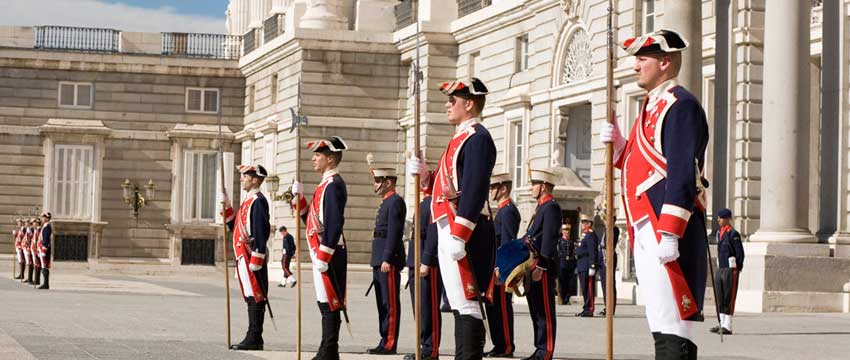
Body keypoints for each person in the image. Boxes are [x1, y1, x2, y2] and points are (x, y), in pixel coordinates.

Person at [601, 29, 710, 358]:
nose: (635, 66)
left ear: (665, 62)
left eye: (642, 58)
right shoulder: (652, 106)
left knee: (674, 321)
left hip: (664, 224)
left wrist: (670, 233)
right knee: (660, 319)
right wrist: (620, 144)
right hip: (646, 223)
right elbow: (641, 165)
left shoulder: (681, 105)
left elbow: (681, 173)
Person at [408, 77, 497, 359]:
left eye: (453, 100)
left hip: (463, 231)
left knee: (469, 302)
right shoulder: (458, 139)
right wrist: (424, 176)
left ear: (469, 104)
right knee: (458, 303)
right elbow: (445, 186)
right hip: (448, 227)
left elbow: (473, 187)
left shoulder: (477, 138)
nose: (448, 105)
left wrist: (460, 232)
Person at [291, 136, 349, 360]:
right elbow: (313, 222)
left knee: (331, 301)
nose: (314, 159)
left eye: (318, 155)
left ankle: (329, 350)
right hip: (321, 251)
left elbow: (334, 223)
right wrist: (299, 200)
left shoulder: (334, 185)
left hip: (329, 252)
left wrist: (325, 253)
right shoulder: (324, 185)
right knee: (324, 301)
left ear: (331, 159)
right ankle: (328, 349)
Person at [223, 164, 271, 351]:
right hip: (243, 254)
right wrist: (226, 205)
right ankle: (253, 335)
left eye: (245, 176)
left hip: (251, 255)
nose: (241, 179)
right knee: (250, 296)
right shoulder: (248, 200)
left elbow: (261, 230)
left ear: (256, 179)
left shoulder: (258, 201)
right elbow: (234, 226)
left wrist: (257, 258)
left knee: (256, 296)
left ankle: (255, 337)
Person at [521, 168, 562, 360]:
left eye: (534, 184)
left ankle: (546, 350)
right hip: (532, 265)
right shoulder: (541, 207)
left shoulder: (551, 207)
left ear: (543, 186)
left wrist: (542, 266)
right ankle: (539, 348)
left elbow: (550, 238)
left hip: (541, 267)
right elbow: (531, 236)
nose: (531, 188)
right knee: (535, 309)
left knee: (544, 310)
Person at [367, 167, 406, 355]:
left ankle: (390, 342)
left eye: (378, 181)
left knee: (389, 302)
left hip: (386, 259)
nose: (375, 185)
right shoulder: (386, 202)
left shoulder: (395, 202)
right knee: (381, 302)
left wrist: (387, 258)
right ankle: (384, 339)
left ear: (388, 182)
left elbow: (394, 232)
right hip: (379, 257)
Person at [404, 188, 442, 360]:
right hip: (415, 260)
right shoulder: (422, 203)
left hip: (427, 263)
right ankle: (423, 346)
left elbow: (433, 235)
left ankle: (431, 349)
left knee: (429, 308)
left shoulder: (434, 203)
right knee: (419, 308)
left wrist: (426, 260)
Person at [485, 172, 519, 358]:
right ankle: (499, 344)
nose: (491, 191)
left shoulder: (508, 211)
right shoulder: (502, 210)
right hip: (495, 267)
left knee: (503, 309)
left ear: (503, 189)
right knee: (494, 309)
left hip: (501, 269)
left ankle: (506, 346)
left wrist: (502, 269)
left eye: (494, 187)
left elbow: (507, 242)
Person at [710, 208, 744, 335]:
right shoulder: (720, 233)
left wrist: (737, 268)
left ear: (728, 219)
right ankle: (721, 323)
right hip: (721, 267)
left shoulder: (733, 234)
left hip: (730, 269)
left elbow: (740, 252)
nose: (718, 220)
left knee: (729, 297)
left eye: (721, 217)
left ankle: (728, 325)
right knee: (720, 295)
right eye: (718, 217)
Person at [574, 214, 598, 317]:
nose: (582, 224)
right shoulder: (584, 234)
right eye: (582, 222)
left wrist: (592, 265)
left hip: (587, 264)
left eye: (584, 222)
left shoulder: (590, 234)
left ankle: (590, 308)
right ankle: (586, 307)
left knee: (589, 289)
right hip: (581, 264)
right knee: (584, 288)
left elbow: (592, 250)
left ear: (589, 223)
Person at [598, 219, 620, 316]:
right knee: (604, 283)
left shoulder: (614, 229)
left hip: (609, 256)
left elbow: (610, 243)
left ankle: (611, 308)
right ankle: (607, 306)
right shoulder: (606, 230)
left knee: (610, 283)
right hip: (603, 257)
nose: (605, 222)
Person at [556, 223, 577, 305]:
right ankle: (562, 298)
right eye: (565, 230)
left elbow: (574, 252)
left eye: (568, 230)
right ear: (562, 231)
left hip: (570, 263)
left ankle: (567, 298)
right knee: (562, 281)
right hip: (562, 262)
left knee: (570, 282)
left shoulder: (571, 241)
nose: (567, 232)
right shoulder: (560, 241)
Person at [37, 212, 52, 290]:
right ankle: (45, 283)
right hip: (42, 248)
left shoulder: (47, 227)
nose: (42, 218)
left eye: (43, 217)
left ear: (47, 218)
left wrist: (44, 248)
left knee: (45, 266)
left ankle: (46, 284)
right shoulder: (44, 226)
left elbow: (46, 239)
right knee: (43, 265)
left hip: (44, 249)